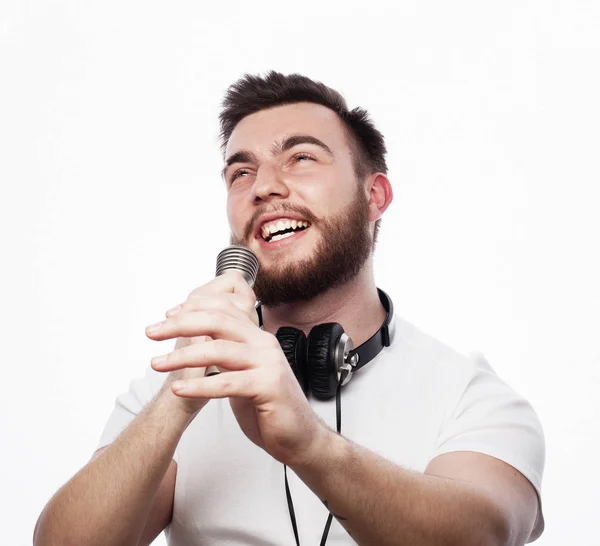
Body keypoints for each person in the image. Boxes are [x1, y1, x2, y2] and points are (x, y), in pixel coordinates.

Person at [33, 71, 545, 546]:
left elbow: (485, 535)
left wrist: (309, 444)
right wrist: (178, 396)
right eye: (241, 172)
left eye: (300, 158)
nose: (262, 187)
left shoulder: (471, 396)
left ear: (375, 196)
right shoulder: (173, 388)